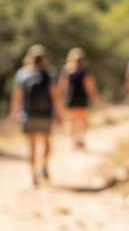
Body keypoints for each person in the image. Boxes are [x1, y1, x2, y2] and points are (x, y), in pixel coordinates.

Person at [9, 44, 61, 186]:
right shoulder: (49, 73)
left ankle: (33, 174)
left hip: (29, 115)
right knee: (47, 143)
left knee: (31, 147)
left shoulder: (23, 74)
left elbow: (17, 96)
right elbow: (55, 96)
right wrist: (58, 114)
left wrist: (14, 114)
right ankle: (44, 165)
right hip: (45, 115)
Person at [59, 47, 97, 150]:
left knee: (73, 121)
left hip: (71, 98)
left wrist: (61, 99)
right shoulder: (85, 71)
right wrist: (94, 98)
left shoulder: (67, 70)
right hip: (82, 98)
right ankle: (80, 139)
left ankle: (75, 140)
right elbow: (90, 86)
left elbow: (62, 86)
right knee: (83, 121)